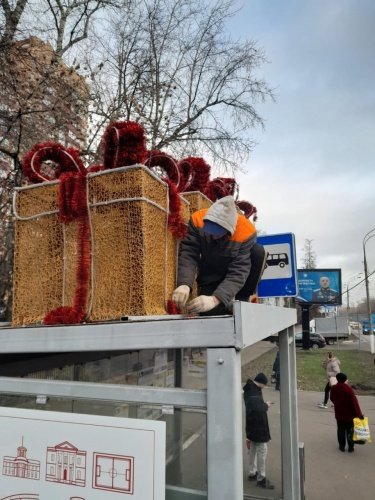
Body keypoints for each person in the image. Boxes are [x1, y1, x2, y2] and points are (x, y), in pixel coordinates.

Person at [172, 195, 266, 315]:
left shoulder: (246, 232)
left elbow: (239, 271)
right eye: (210, 231)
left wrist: (215, 299)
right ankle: (221, 301)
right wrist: (184, 284)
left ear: (229, 230)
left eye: (217, 233)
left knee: (258, 252)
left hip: (235, 272)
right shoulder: (197, 220)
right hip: (212, 272)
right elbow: (189, 254)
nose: (213, 236)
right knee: (210, 313)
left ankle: (242, 297)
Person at [243, 373, 274, 490]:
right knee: (262, 450)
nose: (264, 387)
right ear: (260, 383)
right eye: (264, 385)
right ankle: (261, 478)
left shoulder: (250, 389)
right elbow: (258, 409)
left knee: (253, 449)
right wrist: (266, 405)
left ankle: (252, 472)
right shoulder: (254, 392)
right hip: (258, 427)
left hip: (251, 425)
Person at [330, 372, 364, 452]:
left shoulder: (334, 388)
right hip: (349, 415)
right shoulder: (348, 389)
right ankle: (351, 447)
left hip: (339, 413)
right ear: (345, 379)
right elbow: (354, 403)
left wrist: (337, 404)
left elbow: (332, 398)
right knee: (350, 430)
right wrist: (359, 414)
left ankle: (341, 446)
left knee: (340, 430)